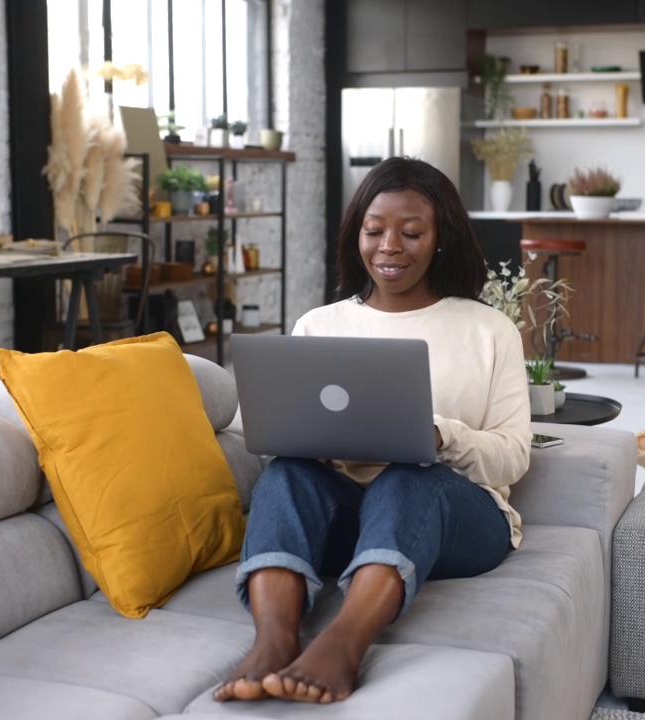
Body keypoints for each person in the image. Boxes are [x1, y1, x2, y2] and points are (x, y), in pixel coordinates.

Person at [214, 157, 531, 705]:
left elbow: (512, 457)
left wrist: (438, 437)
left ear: (440, 240)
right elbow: (273, 441)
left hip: (456, 519)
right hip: (347, 521)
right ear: (356, 234)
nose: (390, 246)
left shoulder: (489, 330)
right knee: (288, 473)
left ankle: (342, 644)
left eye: (411, 233)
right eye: (374, 230)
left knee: (409, 475)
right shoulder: (318, 325)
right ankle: (273, 639)